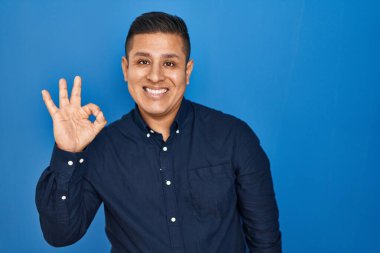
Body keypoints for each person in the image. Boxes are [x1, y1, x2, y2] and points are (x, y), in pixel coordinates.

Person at [36, 11, 282, 253]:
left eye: (169, 63)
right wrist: (67, 152)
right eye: (143, 61)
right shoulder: (103, 148)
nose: (155, 76)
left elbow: (265, 241)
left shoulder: (235, 137)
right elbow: (61, 235)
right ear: (125, 68)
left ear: (187, 71)